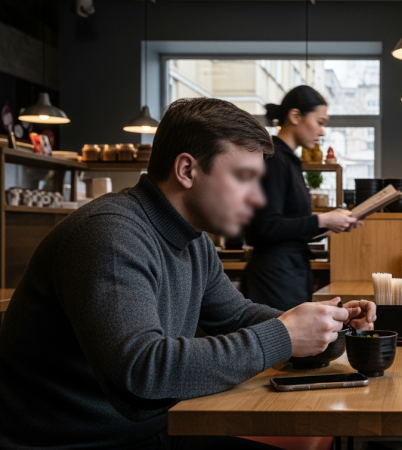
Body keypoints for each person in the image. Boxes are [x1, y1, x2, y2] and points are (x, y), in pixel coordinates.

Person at [0, 97, 376, 450]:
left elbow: (235, 316)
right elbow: (142, 373)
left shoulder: (192, 239)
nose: (257, 199)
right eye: (243, 177)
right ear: (186, 170)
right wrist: (283, 335)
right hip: (80, 444)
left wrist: (326, 326)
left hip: (156, 430)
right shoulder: (109, 234)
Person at [243, 86, 360, 311]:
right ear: (295, 116)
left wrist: (334, 224)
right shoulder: (274, 159)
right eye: (320, 122)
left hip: (288, 275)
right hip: (274, 280)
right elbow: (265, 226)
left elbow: (291, 227)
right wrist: (323, 220)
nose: (322, 131)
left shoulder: (290, 161)